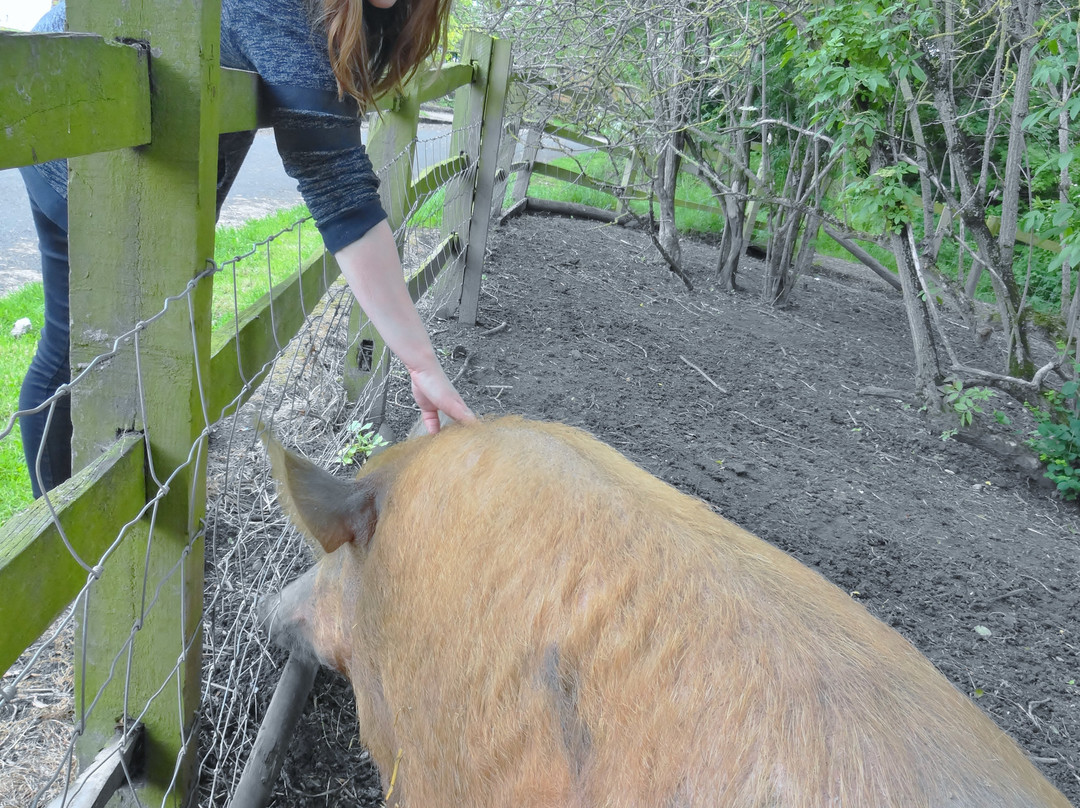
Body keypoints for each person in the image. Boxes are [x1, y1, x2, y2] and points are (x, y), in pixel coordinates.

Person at [19, 0, 474, 497]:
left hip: (137, 146)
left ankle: (132, 507)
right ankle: (75, 531)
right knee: (91, 343)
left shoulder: (374, 14)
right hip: (84, 136)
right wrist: (422, 363)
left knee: (124, 337)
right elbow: (336, 182)